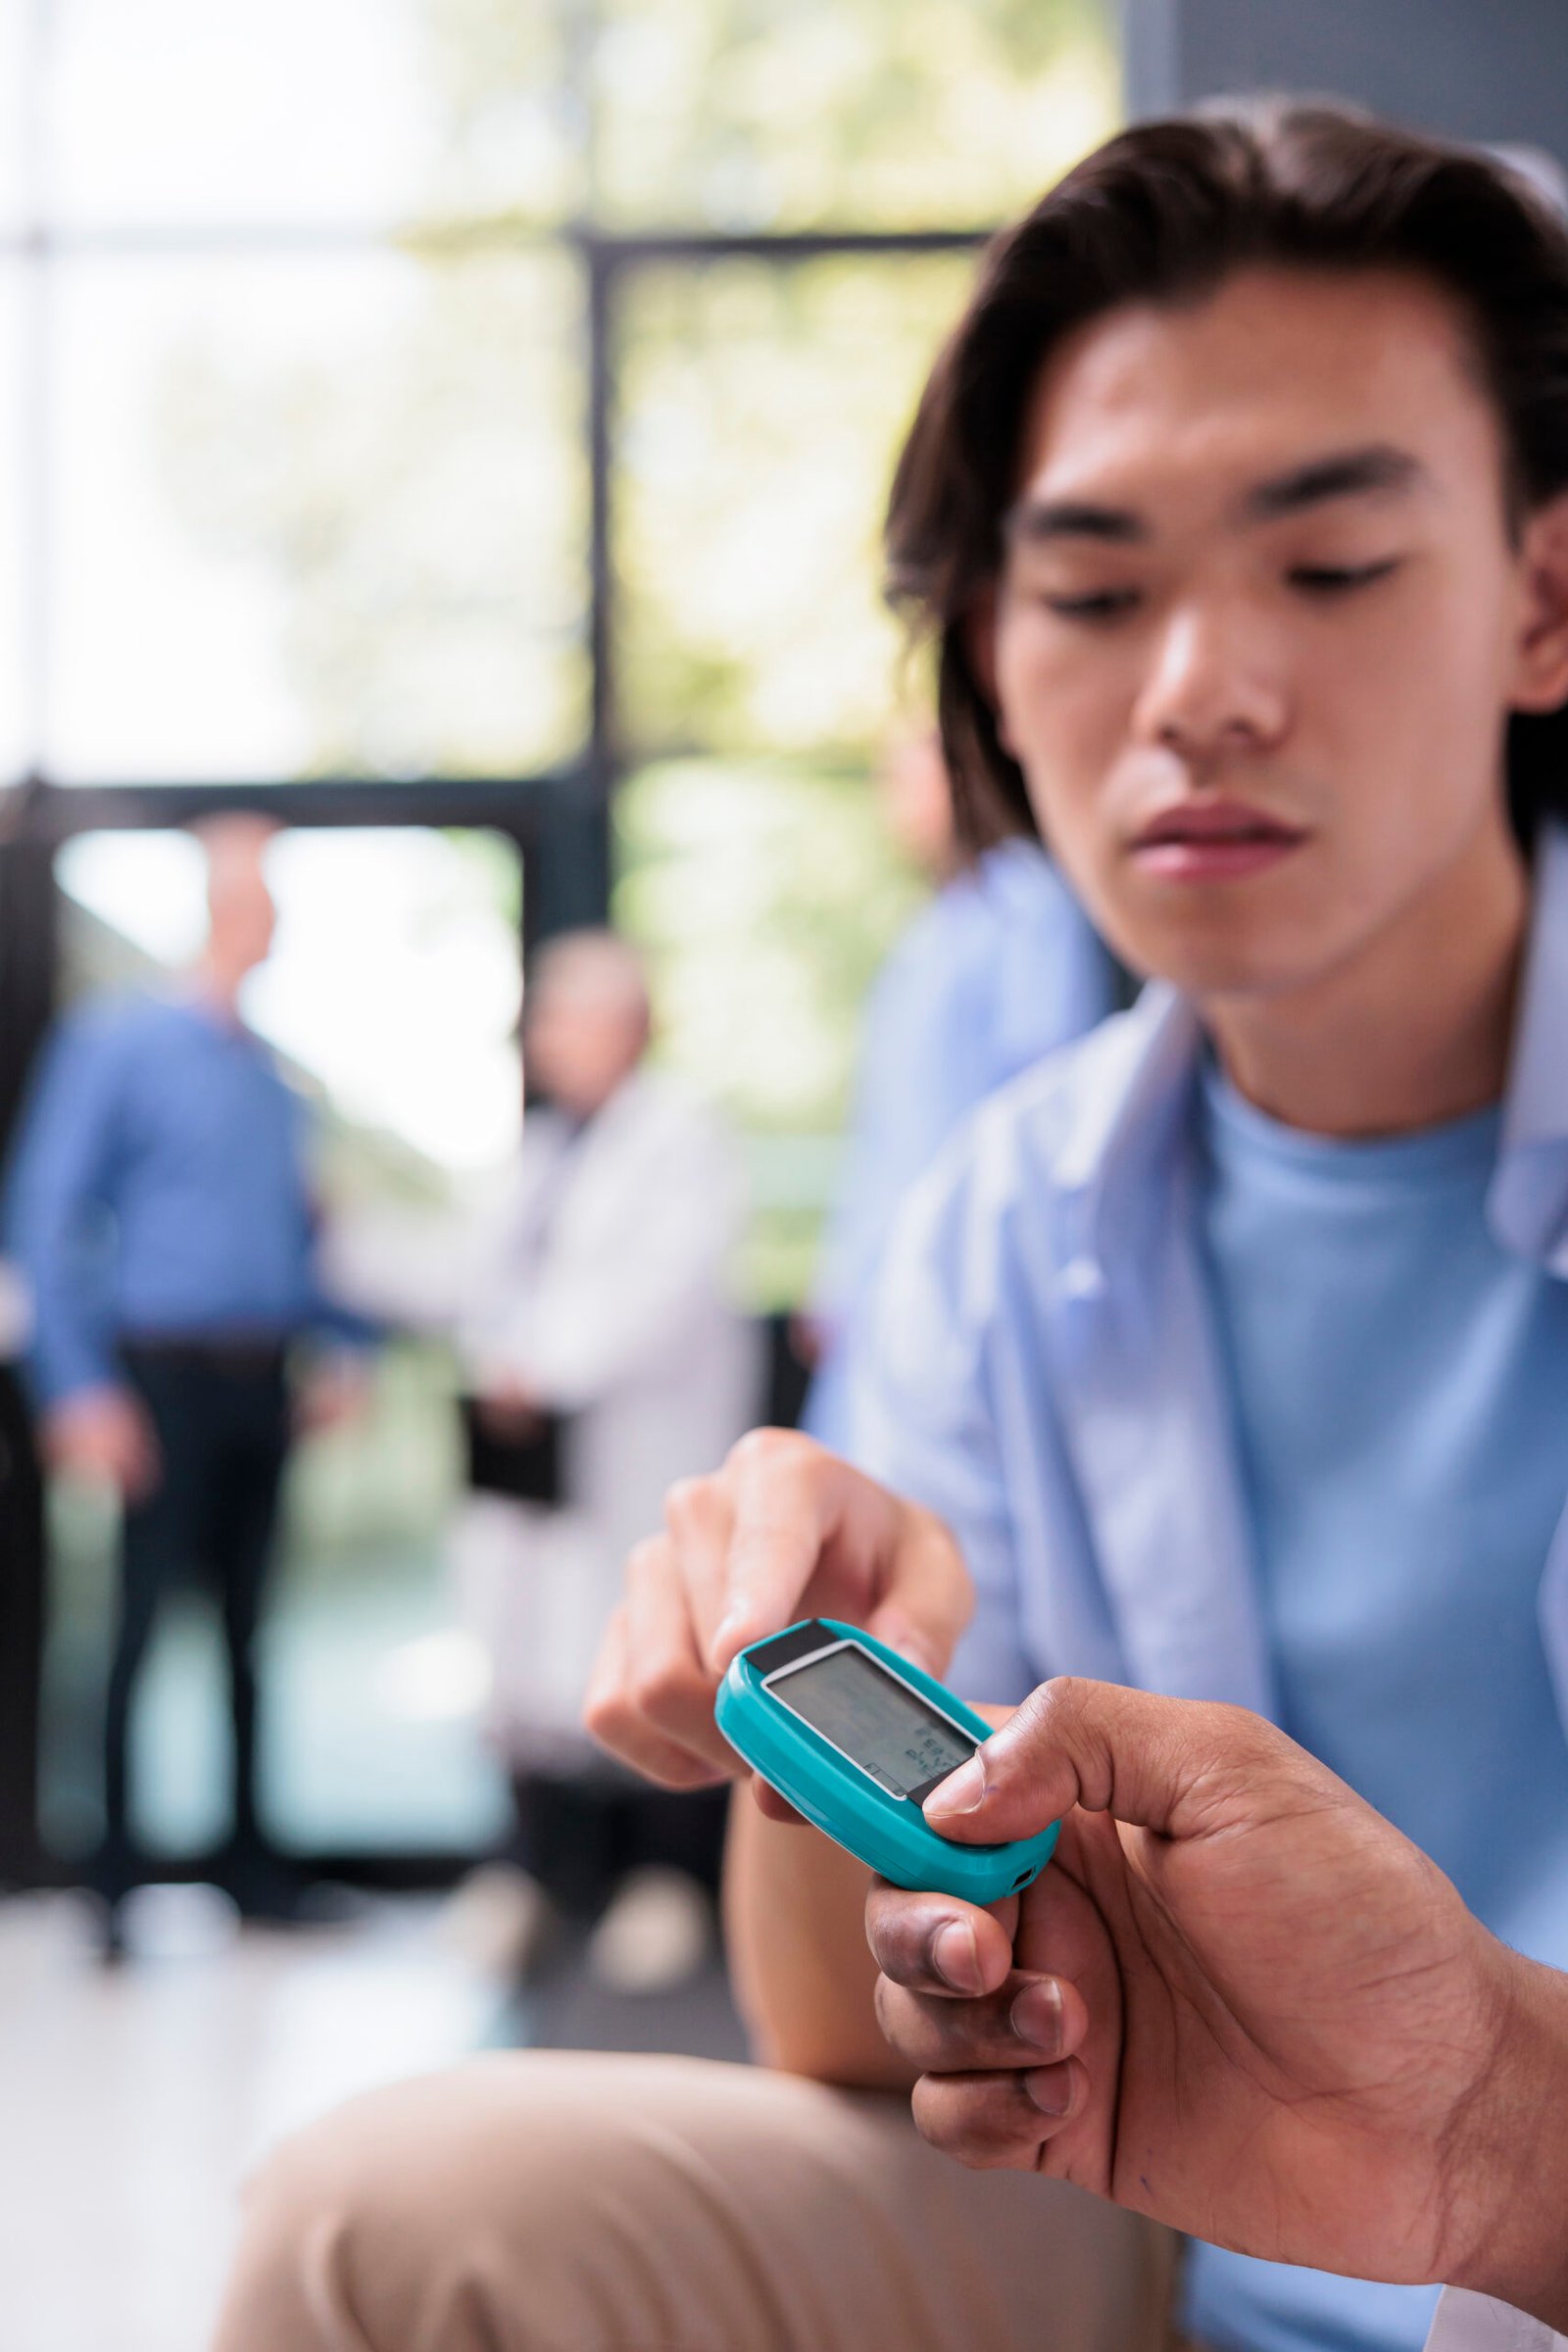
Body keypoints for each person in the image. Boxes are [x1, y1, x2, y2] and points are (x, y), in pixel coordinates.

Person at [214, 99, 1568, 2352]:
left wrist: (1499, 2137)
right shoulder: (1008, 1210)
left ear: (1539, 592)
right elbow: (840, 2041)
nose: (1192, 688)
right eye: (1092, 586)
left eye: (1326, 566)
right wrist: (818, 1695)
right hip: (1166, 2246)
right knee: (390, 2205)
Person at [3, 815, 369, 1943]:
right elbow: (45, 1220)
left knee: (251, 1634)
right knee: (137, 1627)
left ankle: (251, 1872)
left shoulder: (272, 1080)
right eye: (249, 889)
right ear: (216, 904)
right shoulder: (118, 1044)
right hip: (153, 1378)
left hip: (263, 1382)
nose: (264, 915)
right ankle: (109, 1885)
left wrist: (345, 1346)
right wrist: (75, 1388)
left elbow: (305, 1240)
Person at [449, 929, 761, 1989]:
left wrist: (545, 1364)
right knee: (533, 1668)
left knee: (656, 1658)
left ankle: (666, 1884)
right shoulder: (543, 1150)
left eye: (560, 1016)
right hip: (537, 1456)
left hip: (636, 1447)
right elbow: (484, 1277)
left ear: (622, 1025)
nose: (542, 1039)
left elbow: (662, 1294)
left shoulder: (683, 1138)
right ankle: (536, 1876)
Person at [801, 730, 1115, 1455]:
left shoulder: (1030, 909)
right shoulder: (937, 927)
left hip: (970, 1274)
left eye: (909, 780)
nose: (895, 805)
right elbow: (885, 1136)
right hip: (891, 1278)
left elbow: (1044, 1092)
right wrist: (842, 1277)